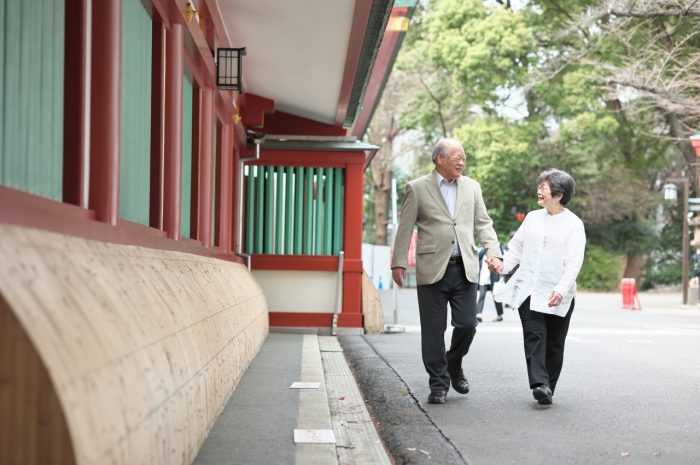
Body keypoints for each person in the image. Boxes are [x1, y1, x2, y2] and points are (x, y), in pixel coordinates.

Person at [391, 138, 502, 405]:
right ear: (439, 159)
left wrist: (494, 251)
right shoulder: (417, 188)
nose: (461, 161)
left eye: (464, 157)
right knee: (433, 329)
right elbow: (405, 227)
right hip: (432, 269)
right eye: (456, 157)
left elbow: (483, 223)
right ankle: (438, 384)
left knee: (467, 324)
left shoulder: (472, 187)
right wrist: (398, 262)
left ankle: (454, 363)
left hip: (465, 268)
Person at [493, 169, 585, 406]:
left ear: (559, 194)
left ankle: (548, 387)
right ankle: (539, 384)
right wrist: (501, 265)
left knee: (555, 342)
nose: (539, 191)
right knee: (534, 336)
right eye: (540, 186)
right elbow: (516, 248)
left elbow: (574, 262)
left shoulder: (574, 224)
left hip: (557, 292)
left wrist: (561, 289)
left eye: (544, 188)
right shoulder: (533, 218)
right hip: (530, 289)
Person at [476, 245, 505, 322]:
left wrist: (502, 277)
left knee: (495, 295)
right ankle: (479, 314)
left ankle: (500, 315)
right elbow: (476, 259)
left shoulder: (497, 252)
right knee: (481, 295)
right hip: (484, 277)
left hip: (494, 277)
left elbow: (502, 263)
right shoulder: (482, 252)